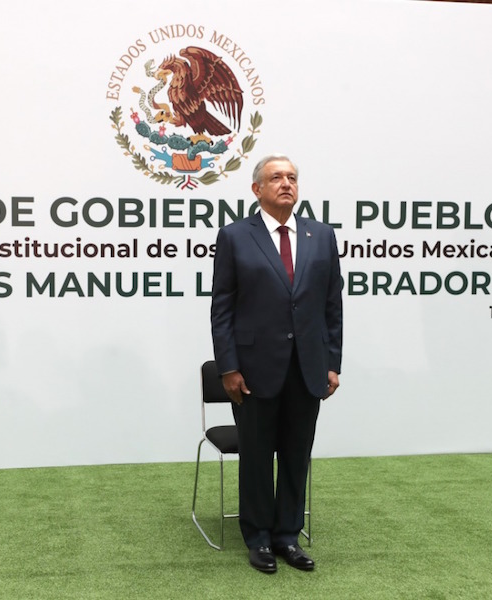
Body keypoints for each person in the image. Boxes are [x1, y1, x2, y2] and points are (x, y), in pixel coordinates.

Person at [210, 154, 343, 573]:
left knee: (296, 454)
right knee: (255, 456)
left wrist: (332, 362)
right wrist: (228, 367)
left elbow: (332, 304)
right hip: (253, 369)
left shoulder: (321, 236)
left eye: (292, 177)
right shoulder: (235, 236)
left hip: (307, 367)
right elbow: (222, 308)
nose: (286, 183)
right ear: (257, 189)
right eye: (276, 178)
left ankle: (288, 536)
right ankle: (259, 538)